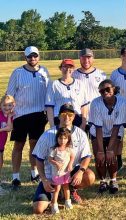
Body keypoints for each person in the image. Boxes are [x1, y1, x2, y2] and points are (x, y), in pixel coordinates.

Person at [32, 103, 95, 214]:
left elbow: (87, 156)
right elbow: (39, 159)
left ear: (74, 116)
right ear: (59, 116)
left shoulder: (81, 134)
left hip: (69, 172)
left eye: (70, 114)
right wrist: (44, 180)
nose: (67, 117)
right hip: (51, 175)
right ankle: (54, 194)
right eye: (64, 114)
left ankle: (70, 191)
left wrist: (81, 171)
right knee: (38, 209)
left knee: (89, 176)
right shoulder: (48, 134)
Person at [6, 46, 50, 190]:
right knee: (18, 145)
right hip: (21, 114)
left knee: (35, 145)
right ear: (25, 57)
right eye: (30, 56)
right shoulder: (18, 73)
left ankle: (34, 173)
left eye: (35, 56)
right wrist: (8, 112)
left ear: (39, 56)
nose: (33, 59)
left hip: (39, 114)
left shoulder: (44, 71)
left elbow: (49, 93)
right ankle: (16, 177)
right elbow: (10, 94)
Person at [89, 80, 126, 194]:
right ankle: (102, 181)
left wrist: (110, 149)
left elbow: (116, 127)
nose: (105, 92)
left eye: (108, 89)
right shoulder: (95, 103)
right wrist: (101, 151)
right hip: (98, 131)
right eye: (102, 91)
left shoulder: (123, 102)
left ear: (114, 89)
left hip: (115, 131)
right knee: (99, 157)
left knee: (111, 156)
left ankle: (113, 180)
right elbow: (98, 128)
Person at [45, 59, 89, 130]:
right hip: (60, 118)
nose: (68, 69)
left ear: (73, 69)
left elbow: (84, 105)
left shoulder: (80, 84)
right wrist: (52, 124)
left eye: (70, 67)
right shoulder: (54, 84)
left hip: (76, 118)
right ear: (60, 68)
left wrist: (83, 123)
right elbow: (49, 107)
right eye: (65, 66)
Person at [72, 48, 107, 133]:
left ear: (93, 58)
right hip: (78, 115)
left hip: (97, 114)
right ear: (79, 58)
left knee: (97, 143)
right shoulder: (73, 74)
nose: (86, 60)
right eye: (83, 58)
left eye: (89, 57)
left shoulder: (101, 74)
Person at [48, 128, 75, 214]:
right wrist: (56, 163)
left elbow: (72, 156)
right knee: (57, 188)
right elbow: (50, 159)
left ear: (68, 139)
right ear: (57, 138)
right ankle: (54, 204)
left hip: (66, 172)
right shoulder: (54, 149)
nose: (62, 141)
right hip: (57, 173)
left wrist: (70, 164)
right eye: (60, 138)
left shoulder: (68, 149)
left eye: (65, 138)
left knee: (66, 187)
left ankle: (67, 201)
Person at [0, 95, 15, 195]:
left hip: (1, 144)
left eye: (9, 105)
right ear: (0, 105)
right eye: (4, 105)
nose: (7, 108)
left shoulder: (10, 116)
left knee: (1, 163)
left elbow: (9, 128)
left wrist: (9, 117)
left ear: (13, 105)